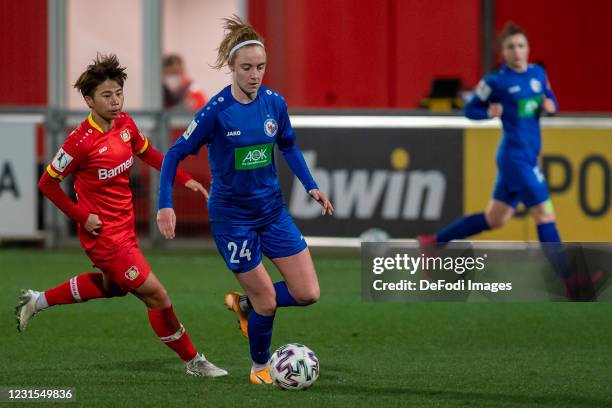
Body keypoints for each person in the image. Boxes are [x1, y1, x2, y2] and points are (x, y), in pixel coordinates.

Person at [16, 54, 227, 377]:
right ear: (89, 100)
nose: (115, 101)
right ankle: (193, 360)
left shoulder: (125, 125)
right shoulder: (78, 142)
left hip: (125, 229)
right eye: (106, 95)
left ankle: (38, 300)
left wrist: (185, 179)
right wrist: (82, 216)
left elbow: (150, 154)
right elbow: (47, 183)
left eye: (118, 93)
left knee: (112, 288)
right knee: (157, 295)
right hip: (104, 238)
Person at [157, 16, 334, 384]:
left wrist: (310, 184)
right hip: (232, 219)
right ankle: (259, 368)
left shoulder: (274, 103)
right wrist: (165, 203)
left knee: (308, 293)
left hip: (271, 212)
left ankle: (245, 304)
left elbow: (287, 145)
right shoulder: (215, 113)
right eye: (247, 68)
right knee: (269, 301)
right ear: (232, 68)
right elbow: (173, 154)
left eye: (261, 67)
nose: (255, 75)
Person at [416, 23, 596, 296]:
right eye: (511, 47)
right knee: (545, 213)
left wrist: (551, 107)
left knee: (495, 219)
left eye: (521, 46)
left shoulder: (538, 73)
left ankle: (433, 242)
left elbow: (551, 100)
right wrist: (488, 112)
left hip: (526, 156)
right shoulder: (496, 81)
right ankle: (569, 280)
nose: (517, 51)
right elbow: (469, 110)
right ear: (503, 52)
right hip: (515, 157)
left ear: (528, 49)